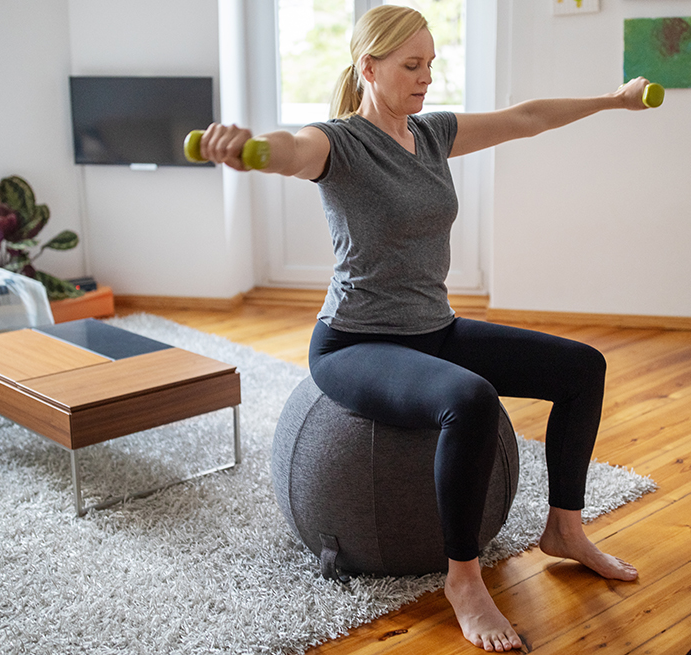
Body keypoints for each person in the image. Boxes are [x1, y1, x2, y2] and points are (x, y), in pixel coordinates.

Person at [197, 6, 651, 652]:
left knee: (583, 368)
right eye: (412, 66)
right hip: (355, 342)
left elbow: (525, 119)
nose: (426, 78)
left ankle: (565, 528)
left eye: (431, 64)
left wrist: (611, 100)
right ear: (369, 68)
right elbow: (291, 151)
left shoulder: (431, 135)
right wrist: (248, 150)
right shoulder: (341, 143)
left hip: (433, 328)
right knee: (469, 398)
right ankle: (462, 578)